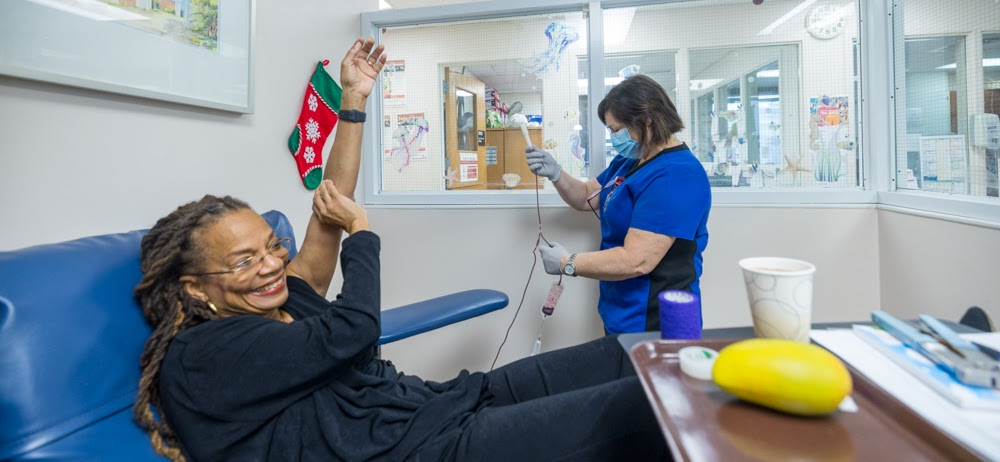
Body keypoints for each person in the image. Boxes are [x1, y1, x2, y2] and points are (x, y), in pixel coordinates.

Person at [132, 38, 669, 462]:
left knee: (628, 355)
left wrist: (353, 103)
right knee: (645, 409)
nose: (272, 265)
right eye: (244, 261)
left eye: (272, 247)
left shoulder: (282, 296)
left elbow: (330, 204)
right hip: (422, 450)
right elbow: (353, 330)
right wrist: (362, 235)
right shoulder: (205, 354)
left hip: (437, 404)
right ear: (194, 286)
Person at [525, 74, 711, 335]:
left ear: (646, 120)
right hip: (622, 310)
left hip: (657, 319)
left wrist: (568, 262)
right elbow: (586, 195)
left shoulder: (675, 175)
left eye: (615, 130)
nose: (613, 137)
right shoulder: (634, 159)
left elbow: (637, 261)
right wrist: (556, 174)